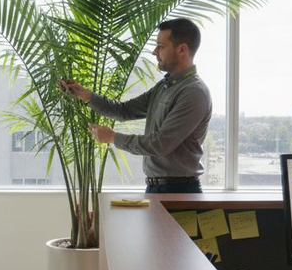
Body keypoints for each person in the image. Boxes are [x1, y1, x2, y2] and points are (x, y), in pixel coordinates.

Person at [57, 17, 212, 194]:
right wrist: (85, 95)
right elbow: (124, 111)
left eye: (160, 46)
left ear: (182, 49)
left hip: (179, 191)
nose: (154, 52)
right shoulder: (164, 87)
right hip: (157, 187)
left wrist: (113, 138)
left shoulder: (194, 93)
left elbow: (160, 144)